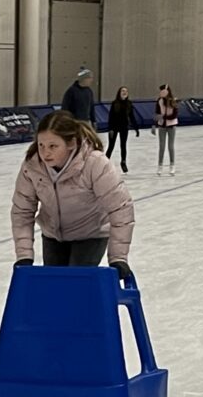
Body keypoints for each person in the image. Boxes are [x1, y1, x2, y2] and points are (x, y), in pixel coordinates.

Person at [10, 110, 135, 277]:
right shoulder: (33, 167)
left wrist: (118, 258)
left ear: (71, 143)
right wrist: (24, 256)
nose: (45, 152)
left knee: (77, 285)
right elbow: (22, 211)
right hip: (53, 236)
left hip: (90, 235)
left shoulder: (94, 163)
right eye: (41, 145)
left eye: (53, 146)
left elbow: (120, 208)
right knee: (55, 288)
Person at [104, 87, 142, 174]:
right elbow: (111, 117)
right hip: (114, 128)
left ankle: (123, 162)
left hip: (124, 127)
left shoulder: (129, 104)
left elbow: (132, 117)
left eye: (126, 91)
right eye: (123, 91)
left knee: (123, 146)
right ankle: (105, 163)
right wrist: (110, 129)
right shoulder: (115, 103)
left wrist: (136, 128)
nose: (125, 92)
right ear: (119, 93)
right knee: (111, 146)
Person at [154, 84, 179, 176]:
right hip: (162, 126)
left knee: (170, 146)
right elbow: (157, 113)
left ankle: (172, 165)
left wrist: (163, 117)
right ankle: (160, 166)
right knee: (161, 147)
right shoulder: (159, 101)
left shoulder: (173, 101)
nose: (160, 93)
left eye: (162, 91)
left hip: (171, 126)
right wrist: (154, 124)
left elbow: (174, 115)